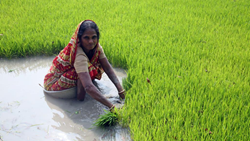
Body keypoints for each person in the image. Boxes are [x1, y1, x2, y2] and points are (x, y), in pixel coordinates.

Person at [44, 20, 125, 111]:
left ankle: (82, 92)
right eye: (86, 38)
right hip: (53, 84)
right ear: (79, 39)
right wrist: (111, 106)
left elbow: (107, 67)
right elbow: (88, 87)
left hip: (69, 76)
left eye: (94, 37)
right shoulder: (79, 55)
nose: (91, 41)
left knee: (88, 68)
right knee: (85, 70)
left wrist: (121, 91)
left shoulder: (96, 47)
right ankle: (80, 99)